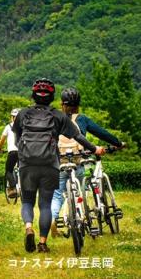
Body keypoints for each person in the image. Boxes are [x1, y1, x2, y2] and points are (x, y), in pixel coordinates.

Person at [12, 78, 105, 254]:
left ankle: (29, 227)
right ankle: (42, 243)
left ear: (33, 95)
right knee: (45, 205)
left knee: (27, 201)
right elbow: (78, 136)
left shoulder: (23, 114)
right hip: (50, 164)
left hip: (27, 165)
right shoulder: (58, 115)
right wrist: (95, 149)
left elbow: (17, 139)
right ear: (52, 96)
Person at [50, 87, 124, 237]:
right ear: (78, 104)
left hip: (59, 162)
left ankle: (52, 219)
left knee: (57, 195)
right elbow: (101, 132)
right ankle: (82, 215)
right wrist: (117, 143)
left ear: (61, 104)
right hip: (77, 161)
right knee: (81, 190)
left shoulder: (55, 118)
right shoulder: (82, 119)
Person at [0, 108, 21, 198]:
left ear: (12, 117)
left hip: (13, 152)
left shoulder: (8, 127)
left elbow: (2, 140)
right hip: (24, 152)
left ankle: (13, 188)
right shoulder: (25, 126)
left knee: (8, 171)